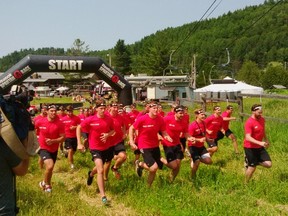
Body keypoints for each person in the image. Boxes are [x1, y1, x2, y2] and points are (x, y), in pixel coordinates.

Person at [77, 102, 115, 205]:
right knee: (101, 169)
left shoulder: (108, 118)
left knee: (99, 168)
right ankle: (103, 195)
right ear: (96, 109)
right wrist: (79, 143)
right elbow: (79, 127)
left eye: (104, 108)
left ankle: (91, 174)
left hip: (106, 147)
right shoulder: (90, 119)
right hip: (95, 148)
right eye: (101, 108)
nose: (103, 110)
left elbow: (113, 130)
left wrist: (108, 135)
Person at [129, 103, 173, 187]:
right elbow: (132, 128)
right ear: (149, 109)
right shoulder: (142, 119)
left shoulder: (160, 119)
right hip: (144, 145)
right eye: (154, 108)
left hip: (155, 145)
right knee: (154, 168)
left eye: (157, 108)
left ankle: (148, 187)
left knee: (157, 167)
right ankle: (140, 164)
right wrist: (131, 141)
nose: (156, 110)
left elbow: (163, 131)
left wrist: (167, 137)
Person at [35, 104, 65, 193]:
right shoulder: (40, 121)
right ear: (47, 111)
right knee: (50, 165)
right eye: (51, 111)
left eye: (55, 111)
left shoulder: (59, 123)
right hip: (42, 147)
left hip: (54, 149)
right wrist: (35, 140)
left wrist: (53, 141)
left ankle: (45, 183)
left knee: (50, 169)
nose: (53, 112)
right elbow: (33, 130)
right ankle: (47, 185)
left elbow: (63, 137)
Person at [160, 105, 194, 182]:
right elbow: (158, 125)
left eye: (183, 113)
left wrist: (190, 138)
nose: (182, 115)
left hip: (177, 144)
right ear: (175, 113)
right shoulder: (167, 119)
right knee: (174, 166)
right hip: (167, 144)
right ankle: (160, 159)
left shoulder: (184, 122)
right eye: (180, 113)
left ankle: (171, 180)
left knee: (177, 166)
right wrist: (159, 135)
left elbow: (186, 133)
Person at [244, 104, 272, 183]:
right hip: (249, 147)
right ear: (253, 111)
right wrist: (260, 142)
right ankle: (245, 184)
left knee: (269, 164)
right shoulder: (249, 122)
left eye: (261, 112)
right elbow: (247, 137)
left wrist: (266, 139)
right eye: (259, 112)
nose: (261, 114)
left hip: (259, 146)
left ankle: (252, 161)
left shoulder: (262, 119)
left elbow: (263, 130)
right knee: (252, 167)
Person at [105, 103, 127, 180]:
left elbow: (124, 125)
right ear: (109, 108)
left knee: (123, 157)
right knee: (108, 161)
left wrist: (124, 133)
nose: (116, 109)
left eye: (117, 107)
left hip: (118, 141)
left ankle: (115, 168)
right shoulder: (106, 116)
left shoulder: (120, 117)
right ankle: (105, 178)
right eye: (114, 107)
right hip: (108, 142)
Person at [188, 109, 212, 179]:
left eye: (204, 114)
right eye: (201, 114)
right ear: (197, 115)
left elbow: (203, 134)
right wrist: (198, 140)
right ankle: (192, 177)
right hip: (193, 146)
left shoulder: (204, 123)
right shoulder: (192, 125)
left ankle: (194, 157)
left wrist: (208, 139)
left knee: (209, 161)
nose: (203, 116)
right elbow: (189, 137)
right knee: (197, 163)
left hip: (201, 146)